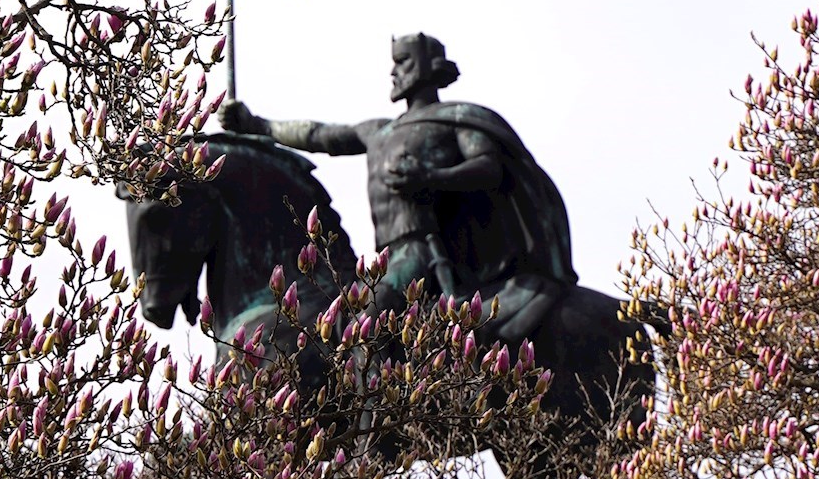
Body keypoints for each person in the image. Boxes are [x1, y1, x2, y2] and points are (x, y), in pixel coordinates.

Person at [219, 33, 575, 340]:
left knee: (363, 324)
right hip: (389, 255)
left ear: (427, 66)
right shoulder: (377, 130)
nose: (393, 71)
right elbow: (319, 135)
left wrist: (431, 178)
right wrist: (256, 125)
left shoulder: (456, 118)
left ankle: (369, 412)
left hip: (421, 250)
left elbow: (489, 167)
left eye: (402, 62)